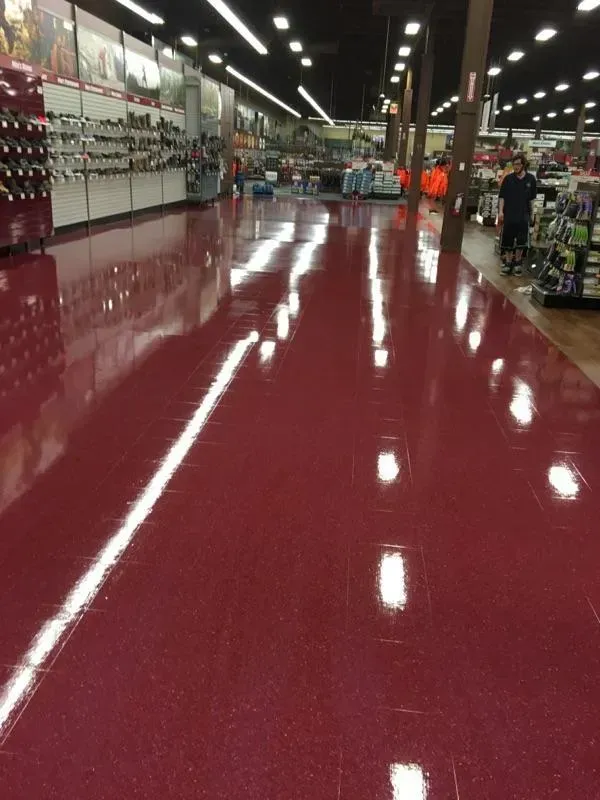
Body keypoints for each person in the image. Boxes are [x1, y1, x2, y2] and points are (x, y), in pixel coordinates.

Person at [497, 153, 537, 276]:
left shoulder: (531, 179)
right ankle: (508, 262)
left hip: (524, 214)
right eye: (514, 164)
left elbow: (532, 199)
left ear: (523, 165)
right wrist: (500, 212)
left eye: (518, 164)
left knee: (521, 239)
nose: (516, 167)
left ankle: (518, 263)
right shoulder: (508, 179)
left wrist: (532, 214)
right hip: (509, 213)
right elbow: (502, 197)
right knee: (508, 238)